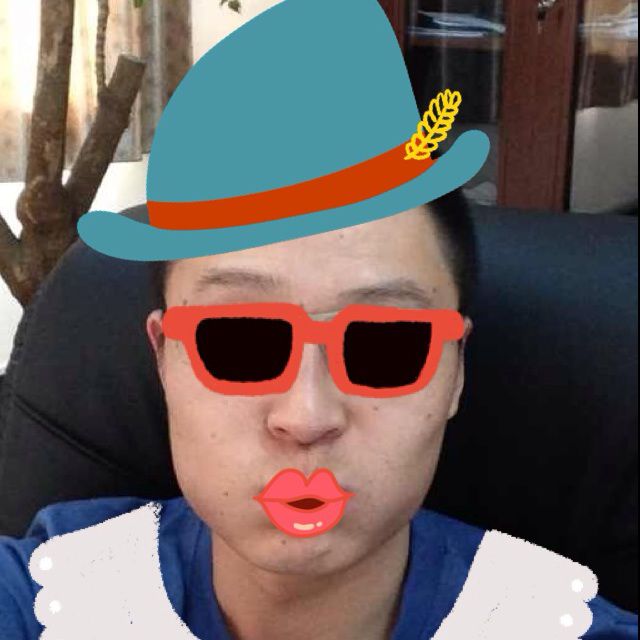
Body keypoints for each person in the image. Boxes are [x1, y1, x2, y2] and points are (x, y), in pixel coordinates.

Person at [0, 0, 637, 638]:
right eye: (240, 342)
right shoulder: (48, 599)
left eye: (386, 345)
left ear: (456, 372)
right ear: (164, 358)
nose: (306, 418)